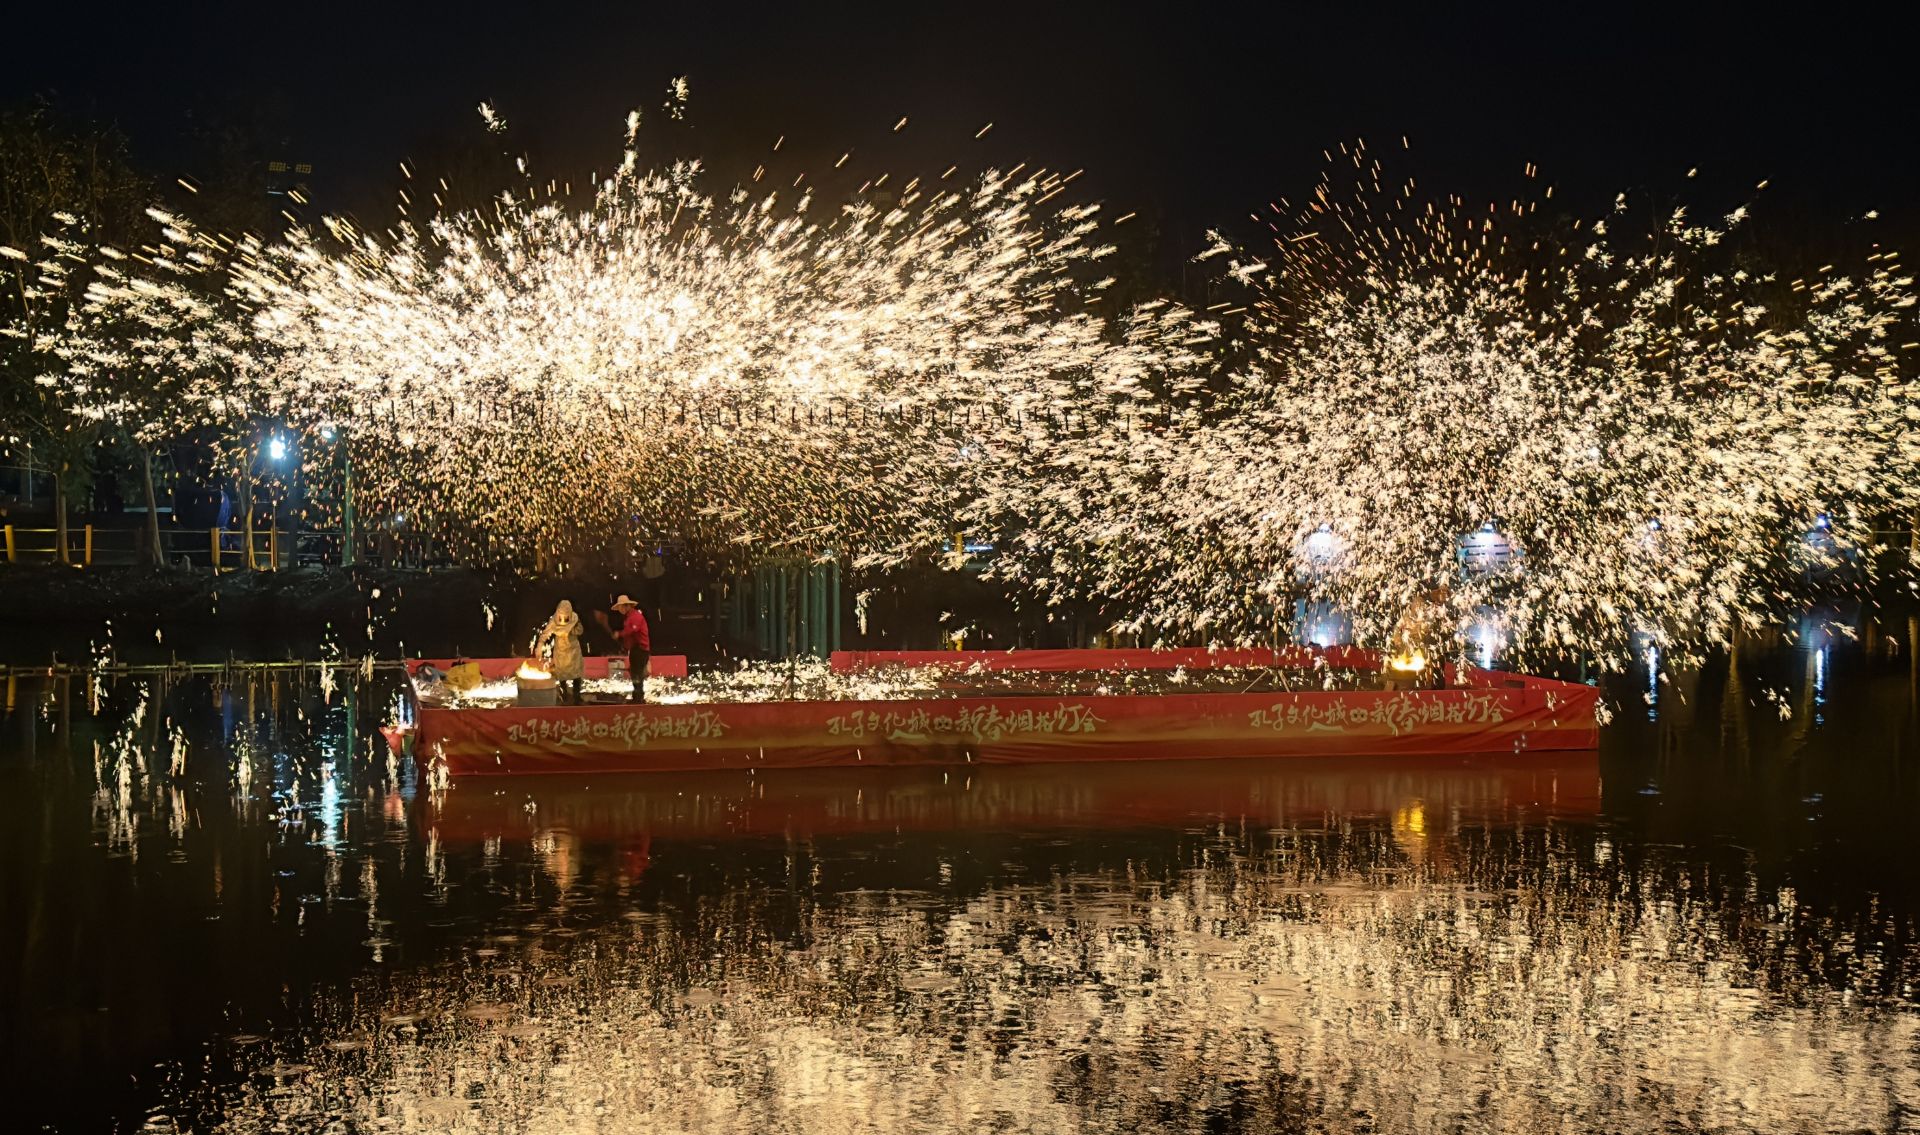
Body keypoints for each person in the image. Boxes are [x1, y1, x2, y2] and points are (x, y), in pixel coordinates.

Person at [536, 599, 586, 705]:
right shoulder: (554, 620)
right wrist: (540, 645)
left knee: (576, 674)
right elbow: (546, 633)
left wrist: (572, 630)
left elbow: (580, 631)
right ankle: (564, 696)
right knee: (561, 673)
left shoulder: (575, 618)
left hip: (573, 650)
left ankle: (577, 696)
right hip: (561, 650)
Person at [612, 594, 651, 703]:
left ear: (626, 606)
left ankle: (638, 698)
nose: (619, 610)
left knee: (637, 673)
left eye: (620, 607)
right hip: (637, 649)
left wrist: (619, 634)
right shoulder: (631, 617)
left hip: (640, 649)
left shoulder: (635, 617)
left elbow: (632, 630)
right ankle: (637, 696)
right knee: (636, 673)